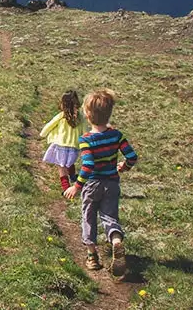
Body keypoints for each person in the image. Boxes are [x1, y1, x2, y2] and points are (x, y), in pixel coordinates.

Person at [63, 89, 138, 276]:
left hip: (92, 185)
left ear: (87, 116)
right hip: (112, 184)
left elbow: (88, 166)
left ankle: (92, 256)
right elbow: (132, 156)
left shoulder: (86, 140)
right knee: (109, 217)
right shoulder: (117, 135)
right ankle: (115, 240)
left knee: (88, 217)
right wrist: (124, 167)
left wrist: (76, 186)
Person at [39, 90, 85, 192]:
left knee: (62, 166)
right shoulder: (81, 118)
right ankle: (73, 176)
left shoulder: (61, 116)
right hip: (74, 147)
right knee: (69, 161)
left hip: (60, 146)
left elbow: (50, 125)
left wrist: (42, 134)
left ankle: (66, 188)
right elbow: (86, 132)